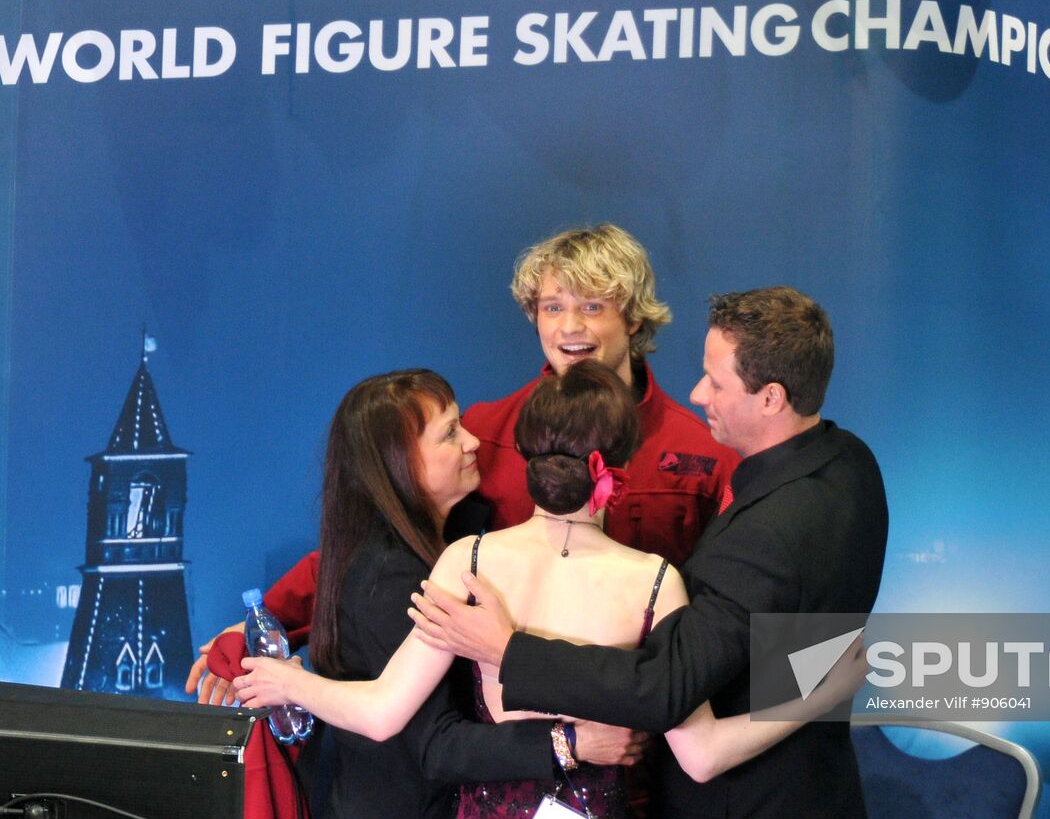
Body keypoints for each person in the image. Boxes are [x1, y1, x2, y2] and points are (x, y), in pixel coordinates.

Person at [234, 361, 861, 818]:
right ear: (619, 468)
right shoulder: (656, 581)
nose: (470, 441)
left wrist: (289, 681)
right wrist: (819, 692)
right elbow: (702, 756)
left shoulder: (466, 560)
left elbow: (380, 713)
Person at [186, 223, 737, 704]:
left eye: (592, 306)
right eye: (553, 307)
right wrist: (265, 622)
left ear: (634, 319)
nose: (570, 327)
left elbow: (753, 593)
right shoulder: (485, 434)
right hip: (508, 719)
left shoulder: (707, 453)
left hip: (650, 716)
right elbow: (384, 544)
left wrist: (788, 708)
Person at [404, 287, 889, 818]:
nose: (699, 393)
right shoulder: (852, 462)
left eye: (716, 382)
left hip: (751, 800)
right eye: (552, 307)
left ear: (771, 398)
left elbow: (664, 688)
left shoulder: (766, 534)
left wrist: (508, 650)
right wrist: (819, 695)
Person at [271, 368, 641, 818]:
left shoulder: (452, 542)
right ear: (397, 461)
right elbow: (433, 743)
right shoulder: (393, 573)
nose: (473, 442)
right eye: (449, 434)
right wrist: (571, 743)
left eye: (461, 424)